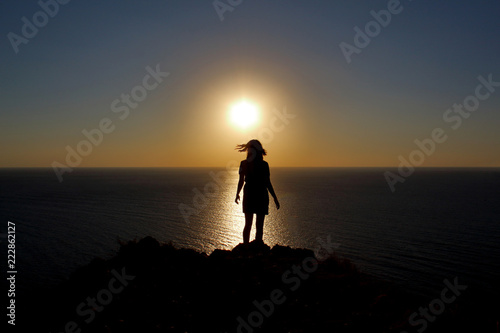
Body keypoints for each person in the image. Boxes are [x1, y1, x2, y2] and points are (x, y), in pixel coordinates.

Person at [235, 140, 280, 244]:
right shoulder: (264, 165)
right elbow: (268, 182)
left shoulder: (244, 163)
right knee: (259, 225)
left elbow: (241, 181)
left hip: (250, 194)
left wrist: (237, 194)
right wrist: (274, 197)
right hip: (261, 195)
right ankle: (257, 248)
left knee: (248, 224)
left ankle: (246, 248)